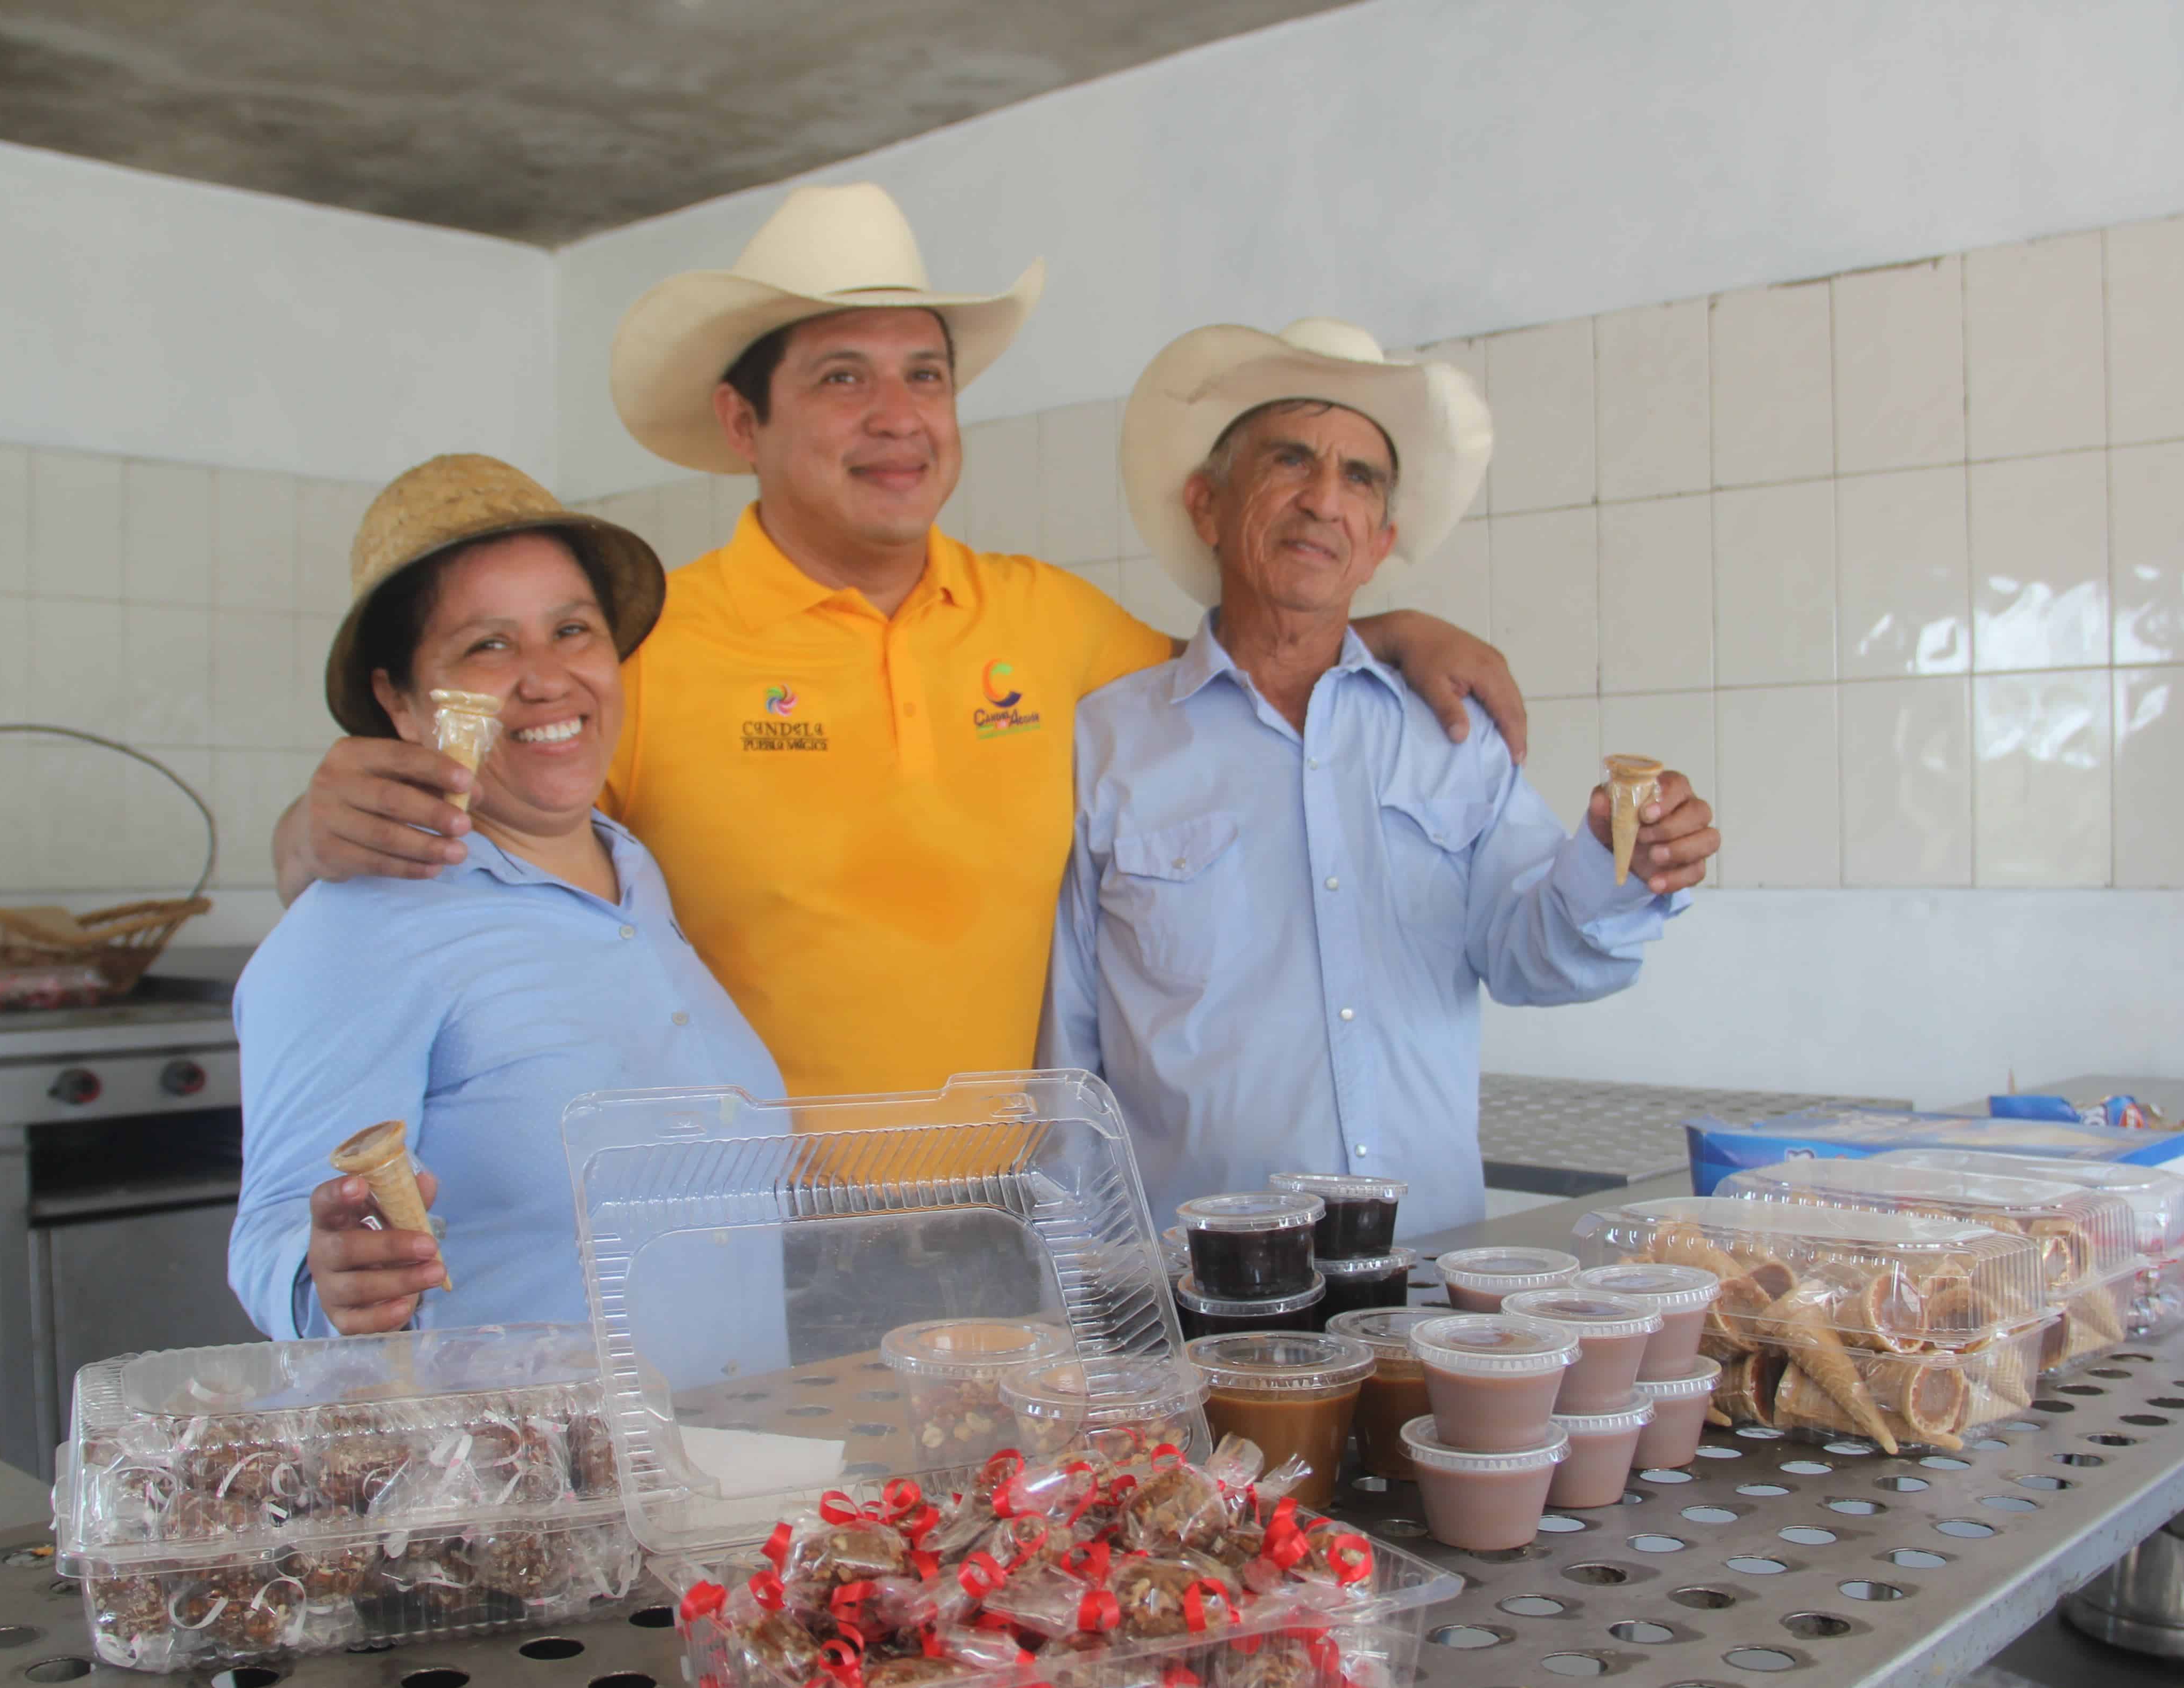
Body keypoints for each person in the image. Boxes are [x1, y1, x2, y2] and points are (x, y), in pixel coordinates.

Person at [270, 183, 1532, 1098]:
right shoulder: (641, 650)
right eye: (840, 378)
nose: (898, 418)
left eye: (925, 376)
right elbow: (452, 870)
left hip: (1014, 1223)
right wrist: (313, 836)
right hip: (746, 1229)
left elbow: (1247, 688)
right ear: (739, 421)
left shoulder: (1047, 619)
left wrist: (1383, 625)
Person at [1040, 319, 1720, 1241]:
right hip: (1195, 1295)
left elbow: (1536, 958)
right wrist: (1093, 1303)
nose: (1326, 500)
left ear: (1382, 538)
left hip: (1424, 1282)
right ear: (1207, 505)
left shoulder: (1450, 735)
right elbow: (1065, 1067)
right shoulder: (1108, 742)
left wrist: (1619, 862)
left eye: (1360, 477)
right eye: (1290, 460)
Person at [229, 454, 782, 1340]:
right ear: (398, 701)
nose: (545, 678)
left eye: (573, 631)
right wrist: (326, 1279)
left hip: (740, 1460)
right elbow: (277, 1238)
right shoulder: (358, 925)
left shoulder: (638, 883)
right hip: (533, 1473)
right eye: (487, 645)